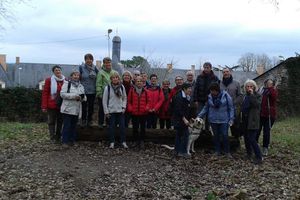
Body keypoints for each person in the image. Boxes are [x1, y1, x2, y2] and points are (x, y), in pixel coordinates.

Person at [197, 82, 234, 157]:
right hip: (213, 120)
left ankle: (227, 151)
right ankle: (217, 150)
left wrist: (231, 118)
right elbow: (206, 108)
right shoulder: (209, 97)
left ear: (218, 90)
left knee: (224, 135)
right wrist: (199, 116)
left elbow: (231, 108)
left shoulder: (226, 95)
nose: (212, 92)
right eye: (211, 90)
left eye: (214, 90)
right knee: (216, 136)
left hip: (224, 119)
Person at [60, 70, 86, 146]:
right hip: (67, 109)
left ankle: (72, 140)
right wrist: (74, 96)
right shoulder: (66, 84)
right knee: (67, 126)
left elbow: (84, 96)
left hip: (76, 109)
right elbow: (62, 94)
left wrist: (82, 98)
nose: (76, 76)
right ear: (71, 76)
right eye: (74, 75)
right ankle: (65, 141)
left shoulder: (81, 86)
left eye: (77, 75)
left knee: (74, 126)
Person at [102, 72, 128, 149]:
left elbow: (124, 98)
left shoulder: (122, 87)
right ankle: (112, 142)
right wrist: (106, 112)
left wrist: (124, 107)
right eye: (113, 78)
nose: (115, 79)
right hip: (111, 111)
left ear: (119, 78)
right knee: (111, 128)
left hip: (120, 111)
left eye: (117, 77)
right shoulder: (108, 88)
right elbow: (104, 100)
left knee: (122, 127)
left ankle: (123, 142)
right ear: (111, 79)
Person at [240, 79, 263, 164]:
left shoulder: (258, 95)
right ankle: (249, 153)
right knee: (246, 138)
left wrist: (252, 94)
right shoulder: (244, 96)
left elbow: (256, 105)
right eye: (247, 86)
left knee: (252, 139)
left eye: (251, 86)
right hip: (245, 120)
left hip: (253, 120)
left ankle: (259, 156)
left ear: (254, 87)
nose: (249, 88)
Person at [41, 65, 65, 143]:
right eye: (56, 70)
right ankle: (52, 137)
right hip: (52, 105)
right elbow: (45, 93)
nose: (58, 71)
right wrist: (44, 106)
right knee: (51, 122)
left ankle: (58, 137)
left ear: (61, 71)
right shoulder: (49, 80)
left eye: (59, 70)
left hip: (62, 105)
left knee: (60, 122)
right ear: (53, 72)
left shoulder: (65, 80)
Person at [193, 62, 219, 132]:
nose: (206, 69)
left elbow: (217, 90)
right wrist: (195, 100)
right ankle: (198, 131)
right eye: (205, 67)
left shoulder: (215, 78)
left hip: (210, 101)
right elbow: (196, 89)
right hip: (200, 100)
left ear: (211, 68)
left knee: (209, 117)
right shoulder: (199, 77)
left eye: (208, 68)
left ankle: (207, 131)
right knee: (200, 116)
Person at [256, 79, 278, 156]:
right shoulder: (262, 90)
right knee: (257, 130)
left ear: (272, 84)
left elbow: (274, 97)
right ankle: (255, 145)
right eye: (267, 83)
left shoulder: (273, 90)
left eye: (270, 83)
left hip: (269, 115)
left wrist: (270, 89)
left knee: (266, 132)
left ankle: (265, 147)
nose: (268, 84)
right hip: (261, 114)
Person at [127, 76, 149, 149]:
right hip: (134, 113)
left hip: (143, 113)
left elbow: (149, 102)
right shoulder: (132, 90)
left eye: (140, 81)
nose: (139, 82)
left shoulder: (146, 91)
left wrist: (146, 108)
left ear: (143, 83)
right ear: (135, 82)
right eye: (137, 81)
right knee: (135, 128)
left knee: (143, 128)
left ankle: (142, 141)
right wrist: (130, 108)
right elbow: (129, 101)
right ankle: (135, 141)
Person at [220, 68, 242, 140]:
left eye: (227, 71)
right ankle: (224, 143)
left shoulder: (236, 83)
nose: (225, 73)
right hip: (222, 110)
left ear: (230, 72)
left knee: (235, 128)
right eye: (224, 72)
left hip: (234, 109)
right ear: (222, 73)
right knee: (223, 128)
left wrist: (233, 103)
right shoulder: (219, 83)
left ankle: (236, 142)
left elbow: (240, 95)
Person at [172, 82, 193, 158]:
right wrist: (184, 119)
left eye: (191, 88)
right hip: (179, 119)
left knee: (179, 134)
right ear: (184, 89)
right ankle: (182, 152)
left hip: (183, 119)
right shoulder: (179, 97)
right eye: (189, 89)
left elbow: (187, 108)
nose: (190, 90)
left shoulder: (186, 96)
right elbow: (178, 109)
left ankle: (177, 150)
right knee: (185, 135)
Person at [96, 57, 117, 129]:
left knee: (110, 109)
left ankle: (108, 123)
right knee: (102, 109)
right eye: (106, 63)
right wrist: (99, 93)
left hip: (112, 94)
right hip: (103, 94)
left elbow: (117, 82)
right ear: (104, 64)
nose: (108, 64)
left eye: (109, 62)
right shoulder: (101, 72)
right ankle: (100, 123)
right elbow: (98, 84)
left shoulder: (114, 72)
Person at [79, 53, 98, 127]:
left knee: (91, 107)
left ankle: (89, 121)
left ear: (92, 60)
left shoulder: (95, 68)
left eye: (90, 59)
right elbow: (78, 77)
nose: (89, 60)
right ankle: (83, 121)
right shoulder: (81, 67)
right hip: (83, 90)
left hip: (92, 91)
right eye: (87, 59)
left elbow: (98, 77)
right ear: (85, 60)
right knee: (83, 107)